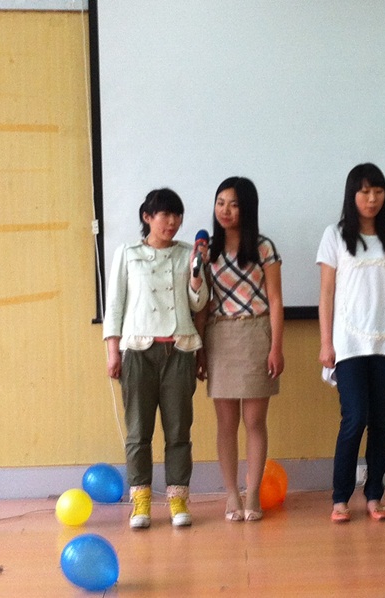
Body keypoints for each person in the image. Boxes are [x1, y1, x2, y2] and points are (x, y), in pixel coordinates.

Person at [103, 188, 208, 529]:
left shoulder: (188, 253)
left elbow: (199, 303)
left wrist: (196, 275)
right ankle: (141, 501)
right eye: (165, 215)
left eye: (177, 215)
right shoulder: (127, 253)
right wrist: (113, 351)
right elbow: (114, 304)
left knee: (178, 431)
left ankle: (178, 498)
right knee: (138, 432)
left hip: (180, 349)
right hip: (137, 350)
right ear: (147, 217)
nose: (172, 222)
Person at [316, 163, 385, 523]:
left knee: (381, 422)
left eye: (378, 191)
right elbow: (326, 292)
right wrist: (326, 342)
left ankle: (374, 495)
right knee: (354, 418)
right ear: (352, 194)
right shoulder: (335, 235)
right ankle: (340, 497)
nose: (372, 199)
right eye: (365, 191)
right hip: (349, 342)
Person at [195, 177, 284, 523]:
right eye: (220, 203)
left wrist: (276, 347)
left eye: (233, 204)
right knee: (226, 423)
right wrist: (200, 349)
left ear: (247, 208)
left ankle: (253, 492)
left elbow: (275, 300)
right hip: (219, 336)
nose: (226, 210)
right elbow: (202, 305)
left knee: (255, 421)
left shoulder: (263, 247)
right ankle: (231, 492)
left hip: (256, 333)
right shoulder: (208, 251)